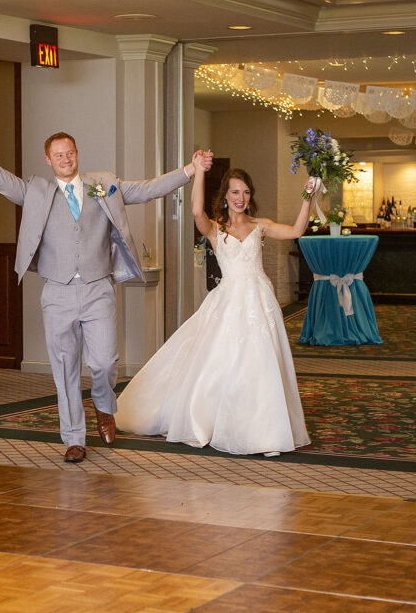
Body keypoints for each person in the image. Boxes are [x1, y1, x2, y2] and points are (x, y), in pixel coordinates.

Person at [0, 110, 211, 463]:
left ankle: (103, 404)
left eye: (71, 153)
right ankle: (73, 438)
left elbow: (145, 190)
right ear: (48, 160)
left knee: (104, 362)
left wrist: (189, 170)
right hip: (58, 291)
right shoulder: (36, 191)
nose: (66, 159)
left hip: (98, 289)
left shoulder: (101, 184)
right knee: (65, 365)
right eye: (59, 155)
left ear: (77, 155)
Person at [115, 157, 317, 455]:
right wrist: (198, 173)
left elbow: (297, 231)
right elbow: (196, 211)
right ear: (225, 196)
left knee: (260, 362)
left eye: (246, 192)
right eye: (235, 192)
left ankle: (260, 428)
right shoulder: (215, 228)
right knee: (220, 361)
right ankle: (214, 419)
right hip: (228, 300)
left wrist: (307, 198)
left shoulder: (260, 226)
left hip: (259, 300)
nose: (240, 198)